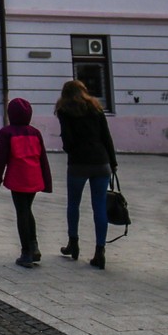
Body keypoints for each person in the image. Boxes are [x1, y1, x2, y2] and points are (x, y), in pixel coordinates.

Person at [55, 79, 117, 270]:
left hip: (79, 162)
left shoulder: (65, 110)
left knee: (74, 204)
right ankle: (100, 250)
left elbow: (67, 138)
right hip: (101, 161)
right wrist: (112, 162)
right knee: (99, 206)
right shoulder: (96, 108)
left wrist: (72, 150)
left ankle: (73, 243)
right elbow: (106, 136)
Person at [0, 97, 53, 268]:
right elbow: (43, 159)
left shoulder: (6, 133)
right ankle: (34, 245)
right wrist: (47, 182)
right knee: (27, 209)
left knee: (22, 212)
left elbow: (0, 158)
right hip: (34, 177)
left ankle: (26, 252)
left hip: (18, 177)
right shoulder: (34, 132)